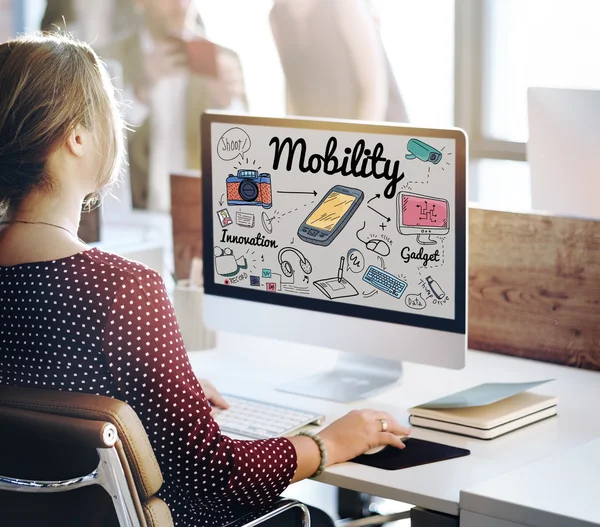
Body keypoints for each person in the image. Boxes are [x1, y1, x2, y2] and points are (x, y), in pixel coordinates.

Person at [0, 34, 411, 527]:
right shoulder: (122, 292)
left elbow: (41, 386)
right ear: (77, 137)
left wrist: (160, 387)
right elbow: (214, 476)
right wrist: (328, 444)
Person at [99, 0, 248, 212]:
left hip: (201, 210)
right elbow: (98, 145)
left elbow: (243, 152)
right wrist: (140, 90)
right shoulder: (108, 58)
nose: (181, 5)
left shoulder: (223, 59)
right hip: (131, 214)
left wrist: (225, 104)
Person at [270, 0, 408, 122]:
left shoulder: (344, 3)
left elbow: (375, 89)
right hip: (331, 137)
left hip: (377, 128)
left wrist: (356, 142)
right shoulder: (277, 17)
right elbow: (293, 86)